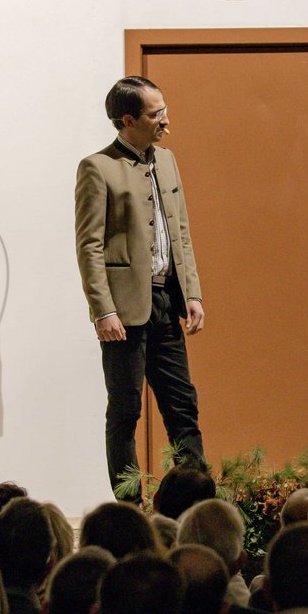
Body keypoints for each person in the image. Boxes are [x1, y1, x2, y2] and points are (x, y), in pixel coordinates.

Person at [75, 75, 206, 489]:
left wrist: (192, 293)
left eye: (164, 110)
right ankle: (128, 507)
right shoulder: (97, 167)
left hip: (166, 301)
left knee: (182, 406)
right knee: (125, 410)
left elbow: (180, 232)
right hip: (123, 311)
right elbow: (89, 246)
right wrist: (103, 311)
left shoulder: (167, 160)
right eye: (156, 114)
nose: (166, 120)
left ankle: (195, 498)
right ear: (128, 120)